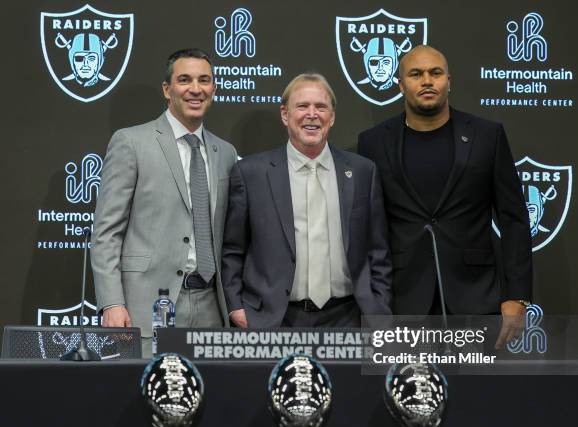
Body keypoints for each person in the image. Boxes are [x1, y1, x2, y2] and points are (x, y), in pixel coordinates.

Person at [357, 45, 532, 345]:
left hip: (476, 299)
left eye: (435, 73)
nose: (427, 81)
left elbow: (514, 218)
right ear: (400, 85)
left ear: (449, 81)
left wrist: (517, 296)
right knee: (407, 391)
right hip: (401, 302)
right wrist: (371, 301)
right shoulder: (373, 142)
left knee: (478, 393)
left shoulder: (487, 136)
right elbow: (367, 228)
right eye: (416, 74)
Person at [91, 48, 237, 356]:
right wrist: (112, 303)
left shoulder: (225, 153)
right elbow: (106, 232)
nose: (195, 89)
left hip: (212, 308)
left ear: (213, 88)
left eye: (204, 80)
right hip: (146, 308)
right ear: (167, 89)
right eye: (184, 80)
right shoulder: (131, 143)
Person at [222, 73, 392, 328]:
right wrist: (236, 307)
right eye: (302, 106)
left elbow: (377, 249)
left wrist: (378, 305)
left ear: (332, 116)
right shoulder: (250, 173)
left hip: (349, 317)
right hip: (274, 319)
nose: (312, 114)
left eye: (321, 107)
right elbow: (234, 249)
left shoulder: (362, 171)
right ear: (285, 114)